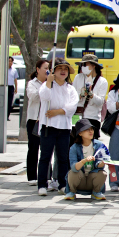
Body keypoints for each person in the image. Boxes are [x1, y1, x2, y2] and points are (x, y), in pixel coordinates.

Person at [37, 59, 79, 196]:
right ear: (54, 71)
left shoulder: (70, 89)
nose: (63, 71)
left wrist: (57, 111)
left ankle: (62, 183)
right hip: (48, 126)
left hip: (64, 128)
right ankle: (42, 184)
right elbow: (44, 96)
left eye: (65, 69)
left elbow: (72, 107)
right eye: (59, 68)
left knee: (63, 157)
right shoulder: (47, 85)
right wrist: (48, 82)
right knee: (45, 157)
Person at [64, 119, 108, 200]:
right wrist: (84, 160)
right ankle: (72, 192)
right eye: (87, 130)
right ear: (80, 133)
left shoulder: (99, 145)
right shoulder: (74, 147)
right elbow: (74, 167)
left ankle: (96, 192)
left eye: (91, 129)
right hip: (80, 180)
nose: (91, 131)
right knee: (73, 173)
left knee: (102, 173)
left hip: (92, 179)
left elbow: (99, 166)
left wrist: (103, 163)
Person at [25, 60, 49, 186]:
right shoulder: (32, 83)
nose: (47, 70)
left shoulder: (51, 83)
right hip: (34, 119)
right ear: (37, 69)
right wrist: (45, 90)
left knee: (47, 148)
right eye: (45, 68)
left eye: (48, 68)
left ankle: (47, 176)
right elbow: (33, 97)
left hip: (46, 119)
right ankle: (32, 177)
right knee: (34, 148)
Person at [73, 54, 108, 139]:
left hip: (92, 117)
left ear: (93, 66)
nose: (83, 67)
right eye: (82, 65)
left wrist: (91, 94)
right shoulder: (78, 77)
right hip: (77, 115)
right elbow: (72, 97)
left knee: (90, 145)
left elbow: (100, 101)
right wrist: (81, 94)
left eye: (85, 64)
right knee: (75, 143)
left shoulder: (102, 81)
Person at [1, 56, 19, 121]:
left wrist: (16, 88)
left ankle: (7, 116)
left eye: (11, 61)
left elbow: (15, 79)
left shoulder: (14, 70)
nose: (10, 62)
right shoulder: (2, 69)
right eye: (9, 61)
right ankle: (1, 116)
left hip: (11, 87)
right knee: (3, 102)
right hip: (3, 86)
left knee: (9, 102)